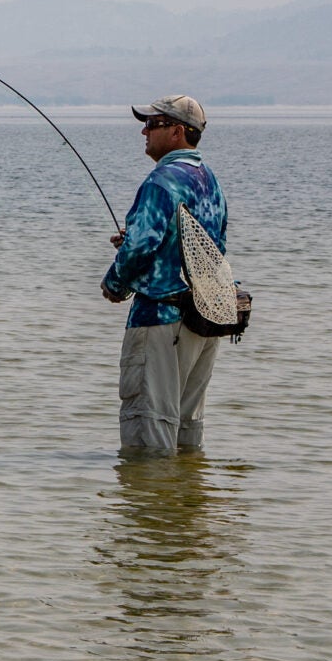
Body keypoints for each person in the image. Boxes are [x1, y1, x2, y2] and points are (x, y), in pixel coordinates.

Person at [102, 94, 226, 455]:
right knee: (186, 434)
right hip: (203, 322)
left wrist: (114, 284)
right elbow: (210, 245)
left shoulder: (161, 181)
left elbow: (141, 248)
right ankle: (186, 507)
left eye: (152, 124)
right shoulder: (209, 181)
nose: (144, 130)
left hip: (159, 320)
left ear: (176, 132)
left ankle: (151, 506)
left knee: (149, 432)